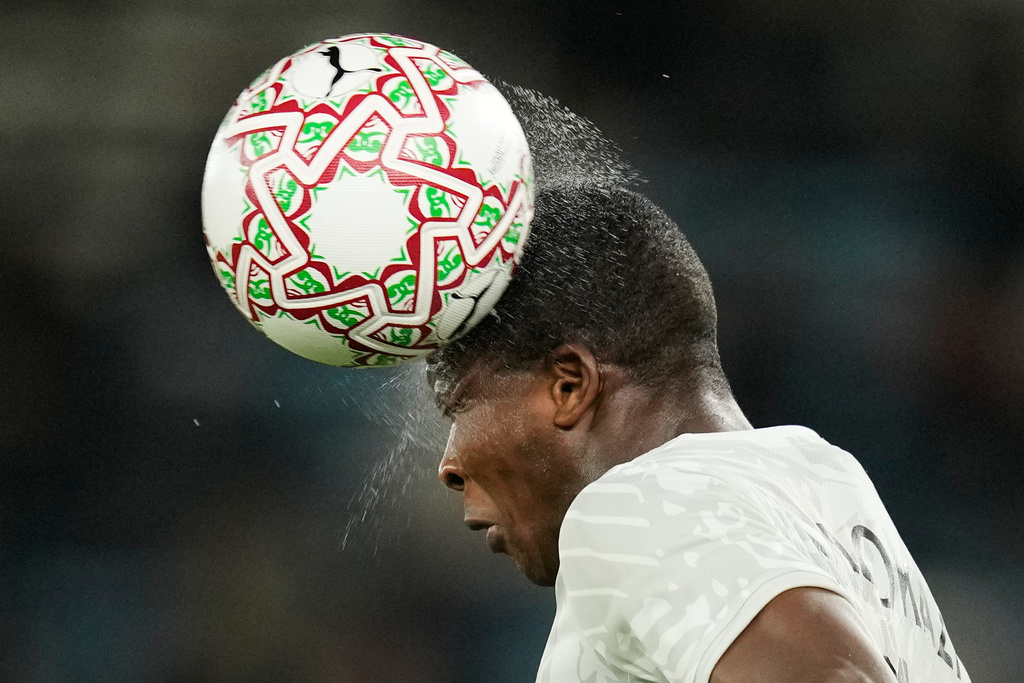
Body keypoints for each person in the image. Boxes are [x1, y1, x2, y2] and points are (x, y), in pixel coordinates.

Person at [425, 86, 971, 683]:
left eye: (460, 406)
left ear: (569, 385)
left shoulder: (642, 505)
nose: (448, 464)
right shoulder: (825, 481)